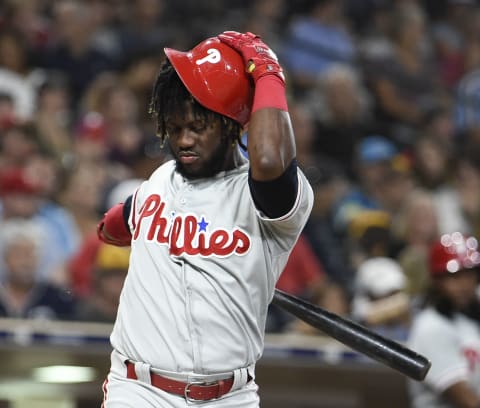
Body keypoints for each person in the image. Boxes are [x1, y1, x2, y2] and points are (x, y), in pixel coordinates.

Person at [97, 31, 314, 407]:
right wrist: (116, 227)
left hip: (229, 396)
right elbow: (117, 224)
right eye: (177, 128)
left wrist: (266, 73)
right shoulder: (160, 180)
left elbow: (266, 160)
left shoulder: (269, 196)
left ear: (233, 127)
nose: (183, 140)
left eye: (198, 127)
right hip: (139, 390)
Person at [407, 232, 480, 408]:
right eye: (455, 277)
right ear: (437, 281)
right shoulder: (430, 327)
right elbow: (467, 401)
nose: (464, 285)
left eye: (469, 275)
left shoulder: (469, 319)